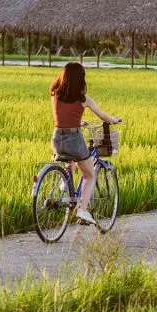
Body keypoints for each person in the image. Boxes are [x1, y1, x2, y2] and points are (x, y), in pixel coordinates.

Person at [50, 62, 121, 224]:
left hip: (56, 138)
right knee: (89, 175)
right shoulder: (84, 99)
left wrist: (78, 122)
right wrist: (114, 120)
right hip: (74, 139)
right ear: (80, 80)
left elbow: (62, 116)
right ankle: (82, 210)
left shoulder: (55, 95)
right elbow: (103, 116)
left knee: (70, 161)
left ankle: (64, 185)